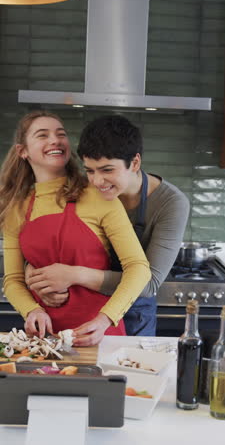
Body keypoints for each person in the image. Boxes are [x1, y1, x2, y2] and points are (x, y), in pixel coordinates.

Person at [25, 114, 190, 337]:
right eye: (90, 170)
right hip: (80, 308)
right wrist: (36, 277)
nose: (97, 181)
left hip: (134, 311)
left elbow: (148, 284)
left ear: (135, 163)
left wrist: (74, 275)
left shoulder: (171, 203)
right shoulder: (81, 190)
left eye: (107, 170)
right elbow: (48, 241)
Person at [0, 111, 151, 345]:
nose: (55, 140)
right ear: (23, 151)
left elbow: (138, 268)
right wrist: (31, 311)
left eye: (60, 134)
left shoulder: (99, 197)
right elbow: (12, 279)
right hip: (45, 340)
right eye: (43, 135)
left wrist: (104, 320)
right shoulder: (16, 208)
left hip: (100, 336)